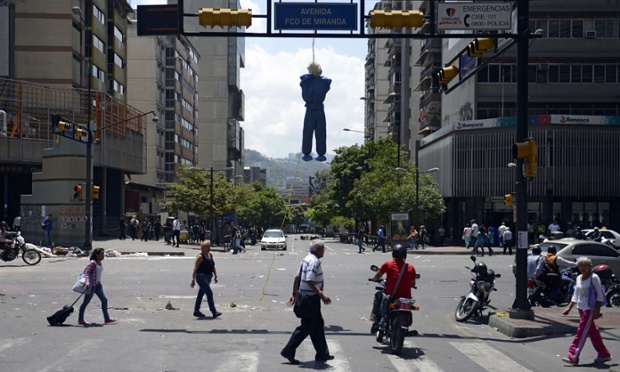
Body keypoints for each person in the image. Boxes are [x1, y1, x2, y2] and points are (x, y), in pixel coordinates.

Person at [281, 240, 333, 364]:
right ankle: (288, 350)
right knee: (307, 327)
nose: (324, 251)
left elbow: (297, 277)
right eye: (323, 249)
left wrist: (294, 294)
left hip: (305, 297)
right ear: (318, 250)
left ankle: (322, 353)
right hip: (310, 299)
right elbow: (309, 280)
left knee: (318, 325)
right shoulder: (314, 261)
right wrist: (321, 293)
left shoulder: (306, 259)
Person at [561, 257, 612, 365]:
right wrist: (569, 308)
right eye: (581, 265)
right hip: (581, 308)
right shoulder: (579, 277)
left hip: (589, 309)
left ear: (590, 266)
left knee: (580, 332)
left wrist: (597, 311)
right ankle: (604, 354)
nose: (583, 268)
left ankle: (573, 356)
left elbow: (599, 296)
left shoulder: (594, 278)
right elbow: (576, 294)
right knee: (593, 332)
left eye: (585, 265)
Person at [369, 244, 417, 333]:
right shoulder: (411, 268)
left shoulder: (388, 264)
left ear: (393, 254)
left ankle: (377, 321)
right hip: (406, 297)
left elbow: (378, 275)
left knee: (378, 295)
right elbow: (412, 284)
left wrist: (374, 279)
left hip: (391, 295)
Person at [300, 62, 331, 162]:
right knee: (316, 131)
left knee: (312, 131)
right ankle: (310, 153)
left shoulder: (307, 80)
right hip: (315, 108)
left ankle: (312, 153)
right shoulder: (313, 81)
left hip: (313, 108)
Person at [78, 248, 117, 326]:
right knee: (85, 303)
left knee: (104, 300)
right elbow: (86, 273)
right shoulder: (92, 263)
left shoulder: (99, 262)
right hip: (92, 286)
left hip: (98, 285)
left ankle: (107, 318)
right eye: (102, 254)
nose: (103, 256)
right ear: (97, 255)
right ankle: (80, 319)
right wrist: (87, 282)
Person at [191, 241, 222, 319]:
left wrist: (215, 275)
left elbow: (213, 266)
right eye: (207, 247)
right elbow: (195, 268)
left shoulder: (210, 255)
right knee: (209, 293)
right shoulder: (200, 257)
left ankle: (196, 311)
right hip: (201, 277)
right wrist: (193, 279)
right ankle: (214, 311)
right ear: (202, 248)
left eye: (209, 246)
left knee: (201, 294)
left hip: (208, 277)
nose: (209, 248)